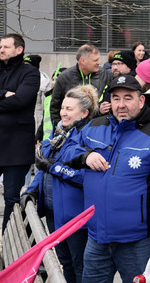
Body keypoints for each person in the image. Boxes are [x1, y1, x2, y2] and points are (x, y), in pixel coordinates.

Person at [60, 75, 150, 282]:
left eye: (128, 98)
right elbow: (66, 149)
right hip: (96, 237)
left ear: (141, 100)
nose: (121, 105)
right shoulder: (95, 126)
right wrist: (86, 156)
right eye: (116, 98)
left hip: (137, 241)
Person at [21, 85, 99, 283]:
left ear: (85, 113)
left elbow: (86, 177)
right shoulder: (58, 134)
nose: (63, 113)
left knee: (80, 264)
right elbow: (43, 169)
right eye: (63, 108)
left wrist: (54, 168)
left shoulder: (90, 136)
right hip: (54, 212)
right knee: (65, 262)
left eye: (69, 109)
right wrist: (32, 190)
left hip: (75, 217)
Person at [0, 33, 40, 232]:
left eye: (6, 47)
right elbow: (11, 101)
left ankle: (6, 239)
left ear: (19, 50)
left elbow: (20, 100)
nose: (1, 50)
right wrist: (3, 94)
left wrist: (11, 97)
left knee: (11, 198)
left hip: (16, 147)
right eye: (1, 47)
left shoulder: (30, 73)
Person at [50, 44, 113, 123]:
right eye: (95, 60)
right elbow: (54, 108)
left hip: (97, 128)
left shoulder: (104, 74)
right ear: (83, 60)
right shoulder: (64, 77)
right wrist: (60, 129)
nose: (99, 63)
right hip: (71, 131)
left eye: (98, 59)